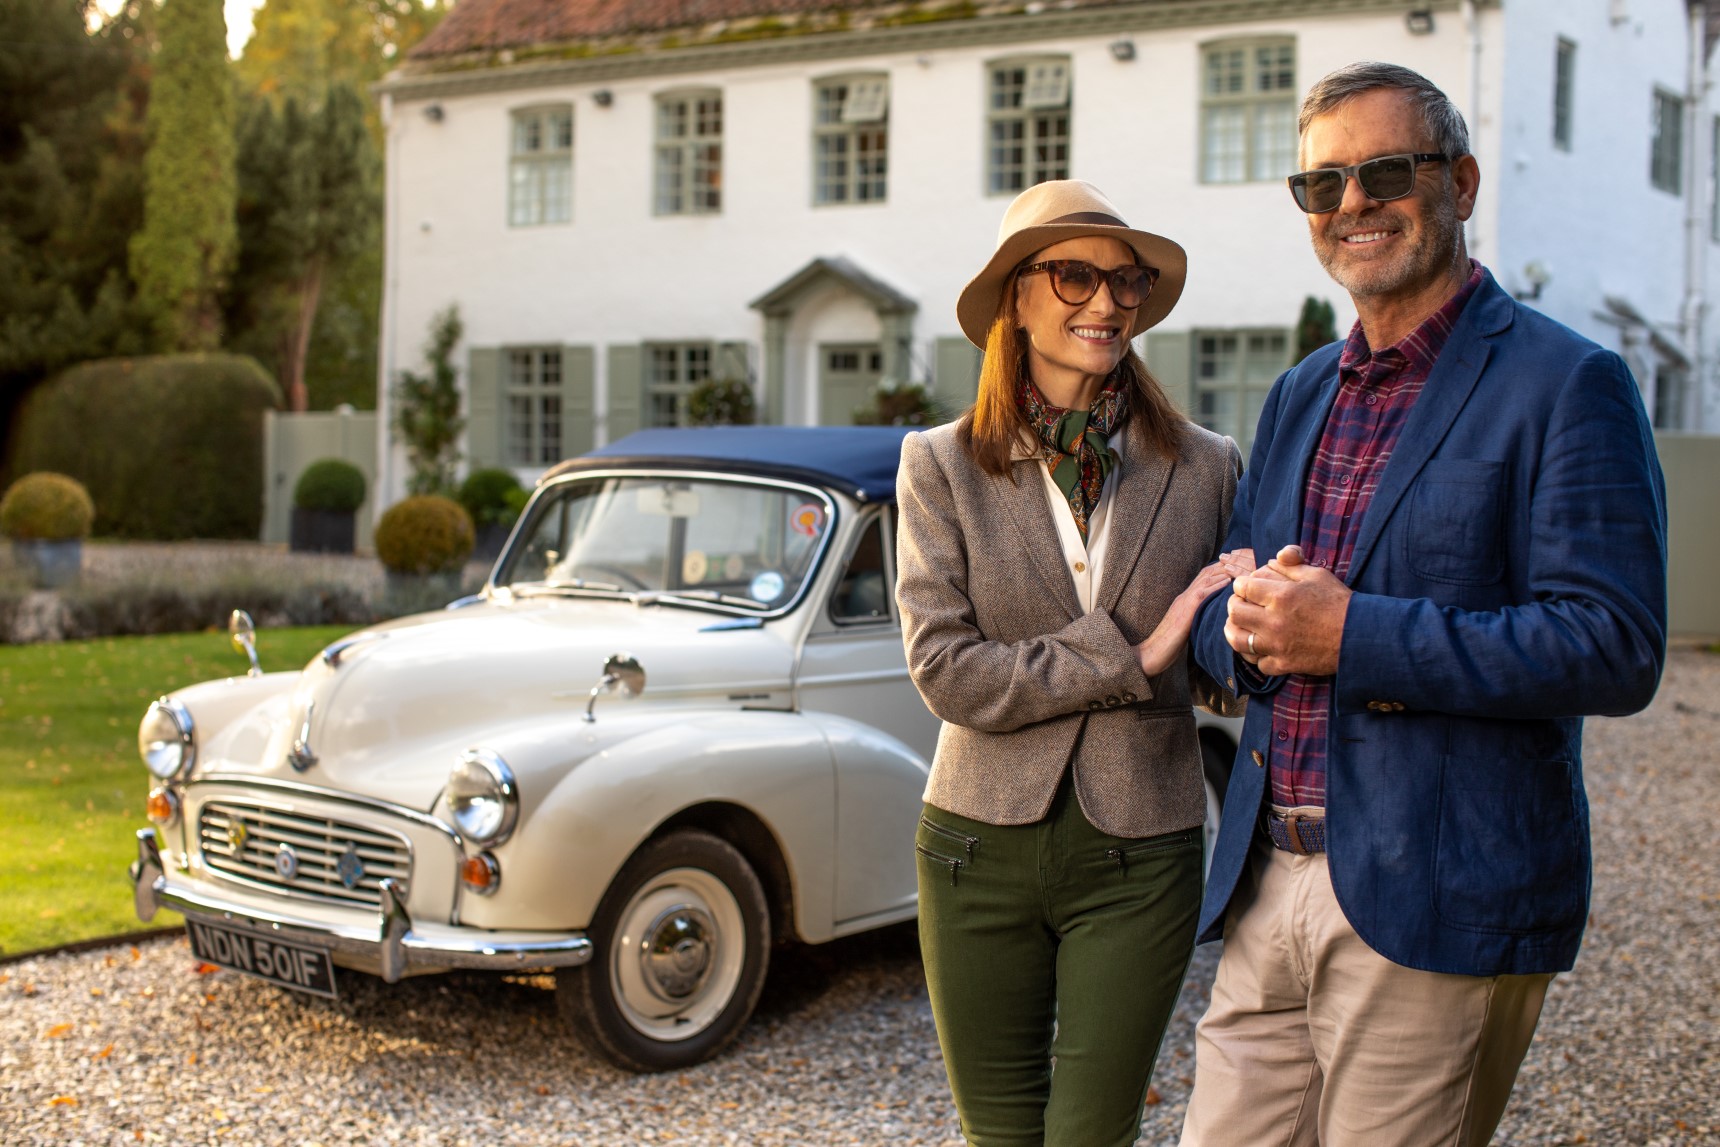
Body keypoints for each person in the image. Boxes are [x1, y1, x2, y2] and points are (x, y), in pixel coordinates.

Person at [1180, 62, 1668, 1147]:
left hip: (1436, 895)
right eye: (1321, 184)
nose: (1351, 202)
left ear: (1460, 180)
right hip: (1270, 877)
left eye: (1385, 171)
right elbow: (1237, 601)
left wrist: (1351, 632)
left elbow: (1612, 643)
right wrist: (1250, 632)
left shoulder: (1564, 384)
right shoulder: (1298, 389)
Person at [895, 179, 1246, 1147]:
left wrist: (1247, 626)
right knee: (999, 1134)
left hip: (1143, 846)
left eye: (1125, 280)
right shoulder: (938, 463)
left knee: (1092, 1134)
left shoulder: (1206, 464)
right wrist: (1131, 654)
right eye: (1073, 275)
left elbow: (1220, 673)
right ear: (1015, 295)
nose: (1105, 301)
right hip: (973, 845)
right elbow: (945, 671)